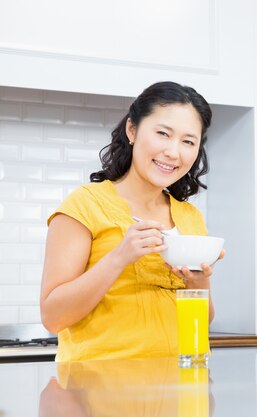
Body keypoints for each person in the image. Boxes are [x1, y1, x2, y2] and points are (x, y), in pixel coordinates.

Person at [40, 81, 225, 361]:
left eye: (188, 141)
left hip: (183, 388)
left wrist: (198, 283)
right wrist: (120, 257)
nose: (173, 152)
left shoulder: (190, 217)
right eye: (163, 133)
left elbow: (203, 321)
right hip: (103, 391)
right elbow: (53, 317)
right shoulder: (84, 205)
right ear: (132, 130)